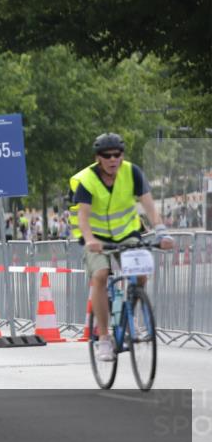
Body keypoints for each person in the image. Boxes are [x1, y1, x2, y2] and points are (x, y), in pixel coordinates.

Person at [69, 133, 173, 361]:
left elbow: (149, 205)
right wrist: (89, 240)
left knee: (141, 274)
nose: (113, 159)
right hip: (96, 237)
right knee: (101, 275)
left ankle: (129, 312)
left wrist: (161, 231)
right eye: (107, 156)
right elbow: (83, 217)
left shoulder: (132, 172)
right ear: (98, 158)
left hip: (127, 233)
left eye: (117, 155)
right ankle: (104, 338)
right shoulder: (87, 180)